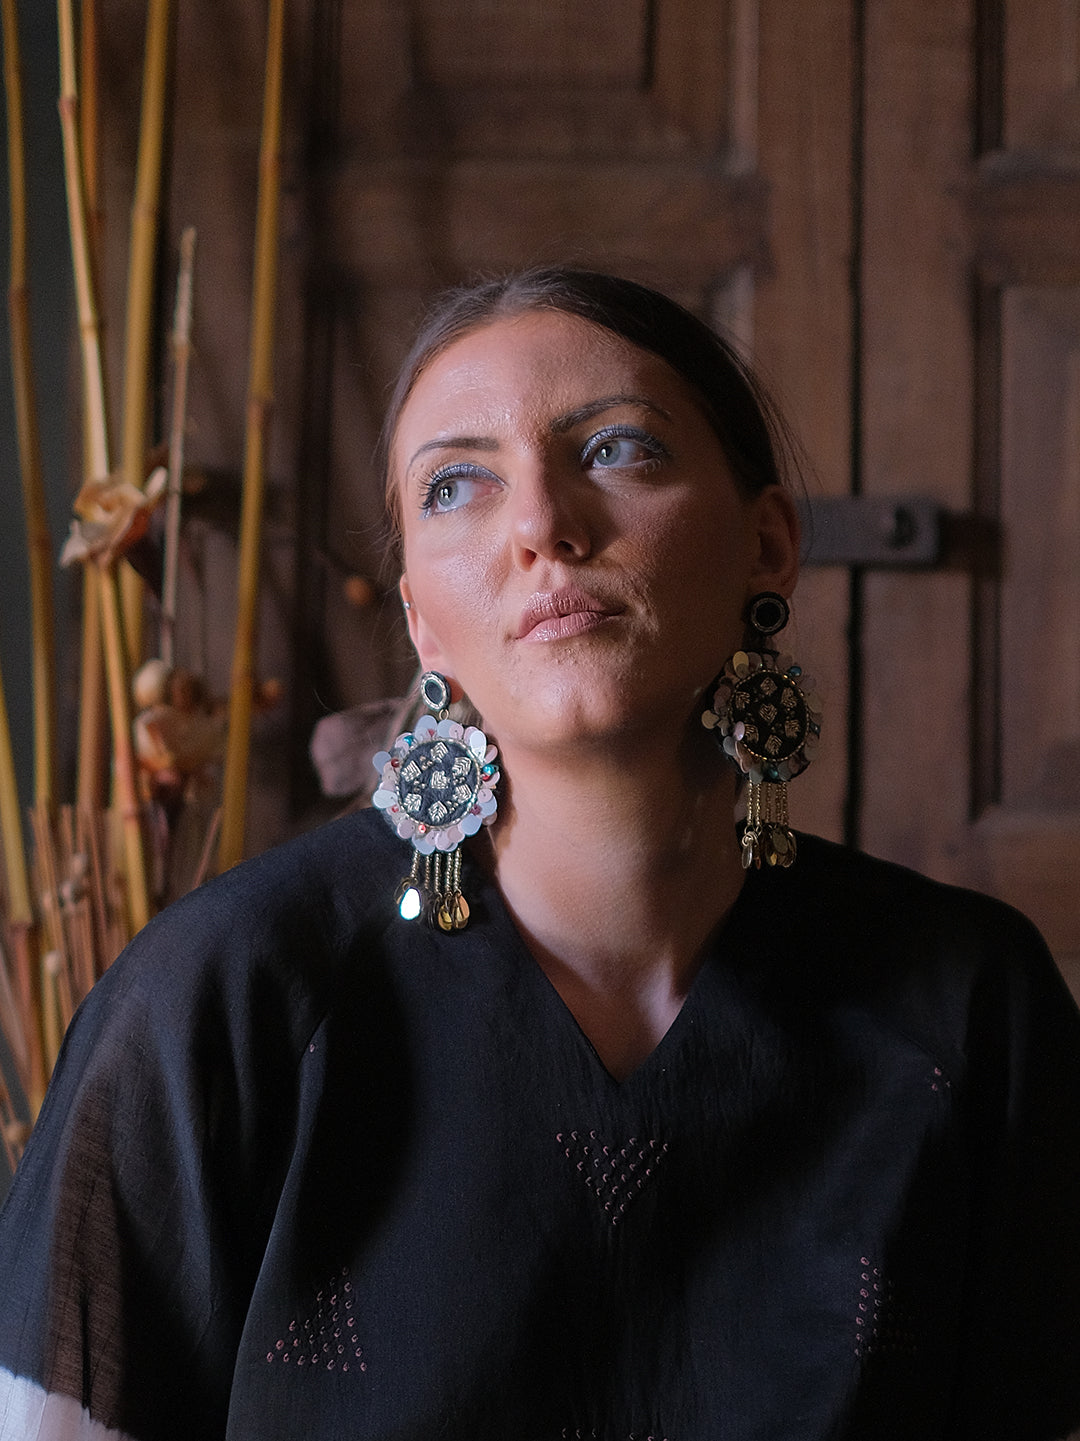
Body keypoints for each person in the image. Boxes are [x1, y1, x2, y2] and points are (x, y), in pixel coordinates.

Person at [1, 268, 1079, 1441]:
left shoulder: (970, 1002)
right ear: (421, 618)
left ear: (768, 544)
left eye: (617, 450)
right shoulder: (223, 996)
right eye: (456, 484)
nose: (541, 527)